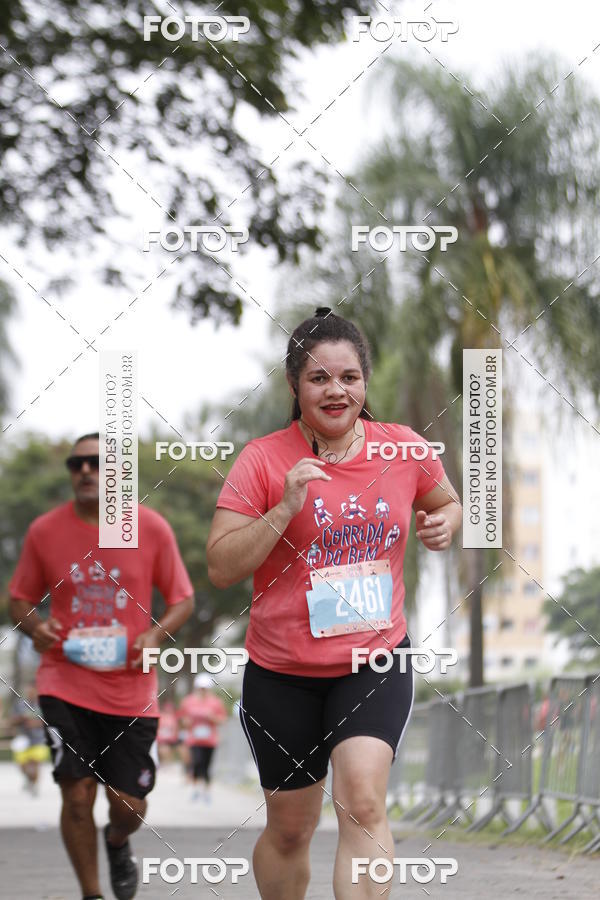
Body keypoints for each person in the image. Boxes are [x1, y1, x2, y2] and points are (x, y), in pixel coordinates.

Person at [206, 308, 462, 900]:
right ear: (295, 386)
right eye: (319, 378)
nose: (336, 389)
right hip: (283, 672)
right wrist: (283, 507)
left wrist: (445, 522)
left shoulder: (404, 449)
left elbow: (447, 501)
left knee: (364, 801)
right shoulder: (265, 460)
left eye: (349, 377)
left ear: (364, 383)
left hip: (374, 661)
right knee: (291, 829)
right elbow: (221, 566)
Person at [9, 432, 194, 900]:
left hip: (131, 691)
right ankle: (92, 894)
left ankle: (117, 840)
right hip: (64, 682)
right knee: (75, 795)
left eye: (97, 462)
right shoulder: (44, 532)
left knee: (128, 804)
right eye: (77, 464)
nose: (86, 471)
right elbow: (19, 600)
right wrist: (35, 628)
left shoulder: (150, 528)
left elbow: (183, 599)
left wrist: (154, 633)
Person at [179, 673, 228, 801]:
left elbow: (222, 720)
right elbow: (183, 719)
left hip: (210, 740)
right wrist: (186, 722)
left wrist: (212, 718)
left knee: (206, 765)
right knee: (196, 762)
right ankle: (195, 789)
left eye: (205, 688)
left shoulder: (216, 702)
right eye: (201, 688)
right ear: (197, 687)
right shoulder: (188, 701)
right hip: (194, 739)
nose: (203, 690)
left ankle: (207, 791)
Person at [11, 683, 50, 796]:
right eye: (29, 691)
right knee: (23, 766)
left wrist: (37, 723)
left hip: (39, 740)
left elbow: (52, 721)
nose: (31, 693)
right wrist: (21, 719)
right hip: (23, 739)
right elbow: (12, 721)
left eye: (33, 691)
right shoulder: (20, 705)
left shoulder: (44, 705)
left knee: (34, 763)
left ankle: (34, 784)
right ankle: (29, 780)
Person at [156, 699, 180, 765]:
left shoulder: (174, 718)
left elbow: (175, 732)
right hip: (160, 740)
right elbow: (157, 729)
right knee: (163, 749)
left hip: (170, 740)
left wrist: (171, 739)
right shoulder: (160, 717)